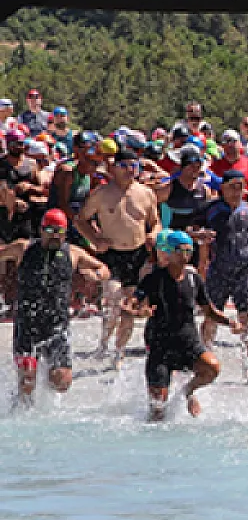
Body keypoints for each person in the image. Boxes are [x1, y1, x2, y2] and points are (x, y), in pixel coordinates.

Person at [0, 209, 108, 404]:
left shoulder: (74, 253)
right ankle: (24, 409)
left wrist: (96, 276)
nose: (54, 235)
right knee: (27, 379)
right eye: (49, 230)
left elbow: (103, 268)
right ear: (41, 230)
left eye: (59, 231)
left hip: (57, 325)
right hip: (28, 321)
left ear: (65, 233)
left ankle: (45, 398)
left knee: (62, 381)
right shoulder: (23, 248)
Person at [127, 228, 227, 421]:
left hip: (188, 342)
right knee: (157, 412)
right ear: (170, 252)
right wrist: (140, 312)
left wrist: (230, 322)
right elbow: (132, 305)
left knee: (212, 368)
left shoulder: (193, 279)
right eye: (182, 250)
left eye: (190, 251)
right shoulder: (154, 279)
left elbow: (209, 310)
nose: (186, 255)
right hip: (160, 344)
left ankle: (186, 393)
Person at [75, 148, 160, 363]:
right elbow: (80, 220)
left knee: (129, 309)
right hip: (112, 254)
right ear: (114, 168)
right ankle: (104, 342)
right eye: (124, 166)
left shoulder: (145, 193)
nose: (130, 170)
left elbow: (156, 222)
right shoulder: (102, 194)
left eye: (134, 166)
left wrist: (153, 234)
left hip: (138, 254)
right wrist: (95, 240)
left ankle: (119, 352)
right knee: (113, 299)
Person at [200, 168, 248, 380]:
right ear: (223, 188)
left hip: (244, 271)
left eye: (241, 186)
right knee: (211, 316)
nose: (237, 191)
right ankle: (205, 356)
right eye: (232, 187)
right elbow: (193, 230)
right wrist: (200, 237)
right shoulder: (211, 209)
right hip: (218, 269)